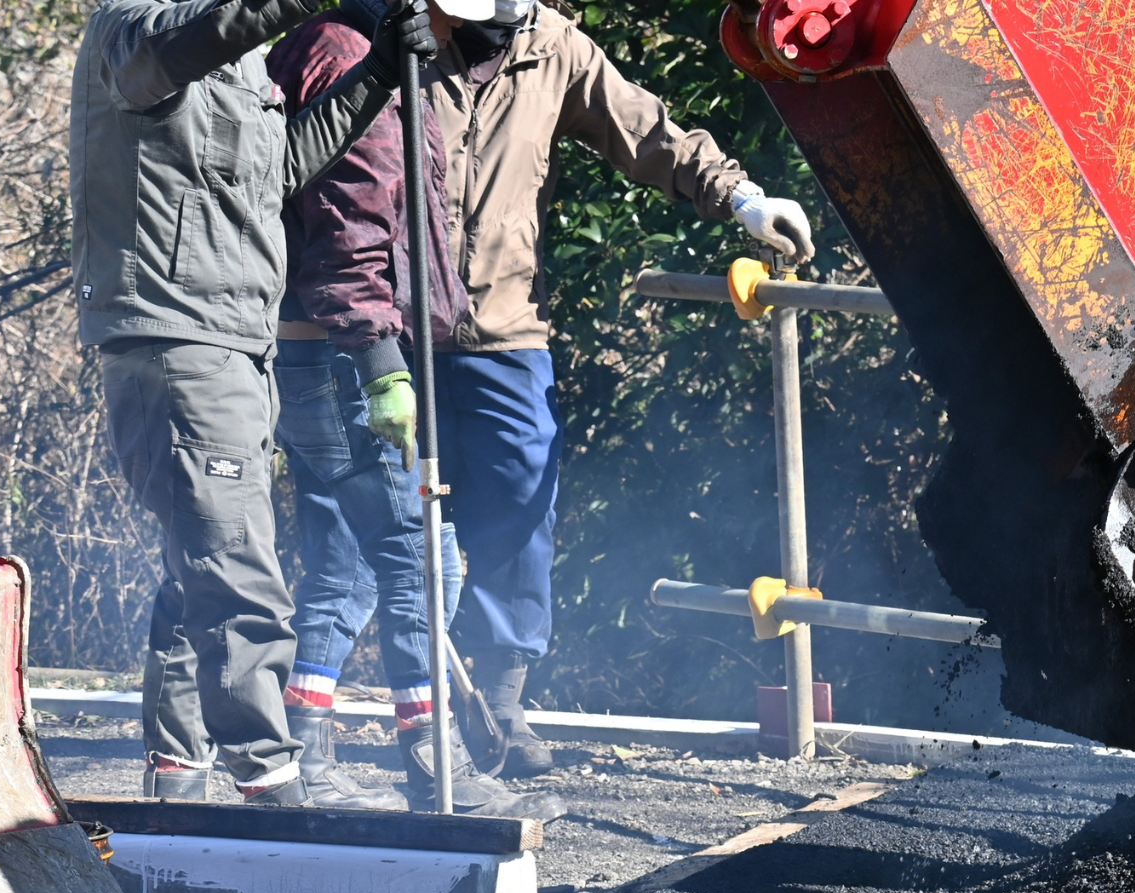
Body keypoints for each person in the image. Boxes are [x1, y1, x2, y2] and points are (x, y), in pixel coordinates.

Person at [417, 0, 815, 777]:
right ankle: (400, 715)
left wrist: (741, 199)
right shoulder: (394, 33)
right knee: (392, 529)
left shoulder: (554, 46)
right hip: (393, 332)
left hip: (504, 329)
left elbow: (650, 134)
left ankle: (497, 702)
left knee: (522, 514)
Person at [71, 0, 436, 806]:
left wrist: (375, 76)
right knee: (239, 572)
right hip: (181, 337)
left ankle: (179, 784)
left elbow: (278, 171)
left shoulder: (242, 63)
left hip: (233, 338)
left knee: (200, 561)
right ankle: (271, 784)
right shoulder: (135, 27)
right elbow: (180, 44)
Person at [265, 0, 554, 815]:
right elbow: (351, 222)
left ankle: (308, 745)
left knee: (353, 561)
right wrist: (380, 362)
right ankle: (437, 769)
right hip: (338, 350)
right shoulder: (352, 57)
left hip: (332, 344)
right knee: (425, 556)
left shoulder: (371, 51)